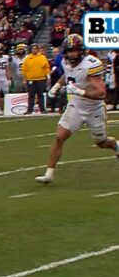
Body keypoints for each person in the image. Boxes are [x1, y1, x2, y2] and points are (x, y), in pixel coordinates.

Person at [36, 35, 119, 184]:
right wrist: (57, 86)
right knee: (60, 136)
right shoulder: (65, 61)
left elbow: (101, 93)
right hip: (76, 105)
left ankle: (116, 145)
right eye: (69, 51)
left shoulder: (91, 64)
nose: (72, 54)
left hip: (94, 108)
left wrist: (80, 92)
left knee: (101, 142)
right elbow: (68, 75)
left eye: (74, 51)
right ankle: (49, 173)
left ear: (81, 50)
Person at [22, 44, 50, 115]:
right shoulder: (28, 58)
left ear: (38, 49)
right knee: (31, 95)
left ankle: (42, 109)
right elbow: (24, 70)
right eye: (32, 49)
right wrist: (24, 79)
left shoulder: (42, 57)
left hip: (41, 79)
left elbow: (46, 68)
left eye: (35, 49)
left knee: (40, 95)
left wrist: (48, 77)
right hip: (30, 79)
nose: (34, 50)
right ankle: (29, 110)